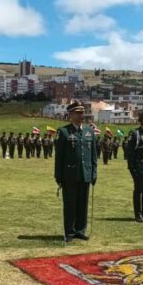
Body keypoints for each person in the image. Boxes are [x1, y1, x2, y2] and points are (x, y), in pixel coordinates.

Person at [55, 101, 97, 242]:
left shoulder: (89, 132)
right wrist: (59, 176)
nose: (81, 115)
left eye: (82, 112)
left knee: (82, 204)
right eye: (78, 113)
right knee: (70, 204)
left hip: (85, 173)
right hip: (70, 175)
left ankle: (80, 230)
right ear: (71, 115)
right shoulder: (64, 132)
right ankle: (70, 231)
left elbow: (93, 155)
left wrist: (94, 172)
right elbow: (59, 157)